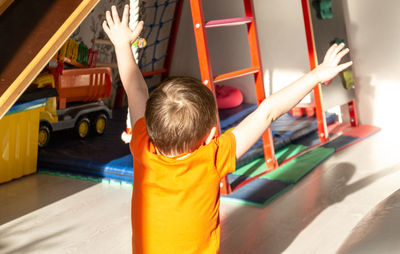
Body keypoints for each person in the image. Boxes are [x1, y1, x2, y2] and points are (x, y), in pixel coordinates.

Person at [102, 4, 352, 254]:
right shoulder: (212, 156)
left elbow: (135, 88)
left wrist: (122, 44)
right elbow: (268, 111)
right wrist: (317, 74)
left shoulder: (142, 144)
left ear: (152, 123)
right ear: (211, 135)